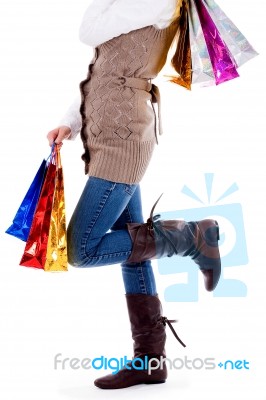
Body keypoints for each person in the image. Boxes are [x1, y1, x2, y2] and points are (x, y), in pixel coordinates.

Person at [47, 0, 221, 389]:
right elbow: (104, 70)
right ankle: (149, 362)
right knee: (134, 252)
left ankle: (191, 237)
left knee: (81, 249)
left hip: (123, 141)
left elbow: (87, 31)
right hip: (109, 137)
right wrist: (69, 122)